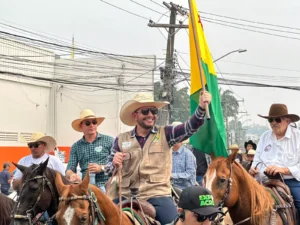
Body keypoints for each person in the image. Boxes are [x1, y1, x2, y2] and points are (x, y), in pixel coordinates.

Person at [105, 91, 212, 225]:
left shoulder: (166, 133)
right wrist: (113, 163)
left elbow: (189, 128)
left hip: (157, 195)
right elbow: (108, 169)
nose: (150, 115)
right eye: (145, 111)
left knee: (173, 222)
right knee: (100, 218)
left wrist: (201, 108)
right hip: (126, 195)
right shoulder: (121, 139)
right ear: (135, 115)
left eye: (153, 111)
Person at [249, 104, 300, 217]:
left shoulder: (298, 137)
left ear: (288, 121)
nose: (273, 123)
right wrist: (254, 170)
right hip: (266, 181)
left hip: (291, 181)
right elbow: (257, 160)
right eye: (271, 120)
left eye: (277, 119)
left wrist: (284, 170)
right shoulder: (264, 137)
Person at [66, 109, 114, 193]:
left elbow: (117, 165)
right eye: (88, 123)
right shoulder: (76, 146)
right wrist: (72, 174)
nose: (91, 125)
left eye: (94, 122)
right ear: (81, 126)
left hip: (107, 185)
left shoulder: (109, 141)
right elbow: (69, 169)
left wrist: (101, 168)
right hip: (86, 187)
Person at [171, 121, 196, 190]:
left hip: (185, 189)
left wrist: (172, 176)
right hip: (170, 188)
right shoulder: (168, 154)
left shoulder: (188, 154)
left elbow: (190, 174)